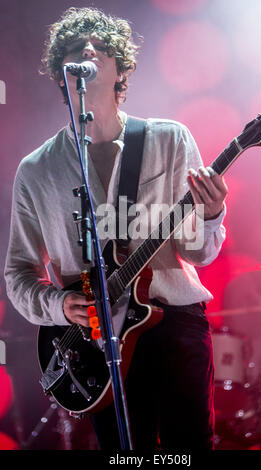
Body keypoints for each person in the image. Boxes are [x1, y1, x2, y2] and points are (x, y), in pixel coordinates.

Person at [4, 7, 227, 451]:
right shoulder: (37, 170)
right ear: (60, 72)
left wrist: (210, 212)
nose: (85, 51)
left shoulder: (169, 139)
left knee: (189, 447)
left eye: (100, 47)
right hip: (94, 338)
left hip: (173, 319)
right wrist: (59, 304)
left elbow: (201, 254)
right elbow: (18, 275)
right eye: (73, 48)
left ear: (120, 68)